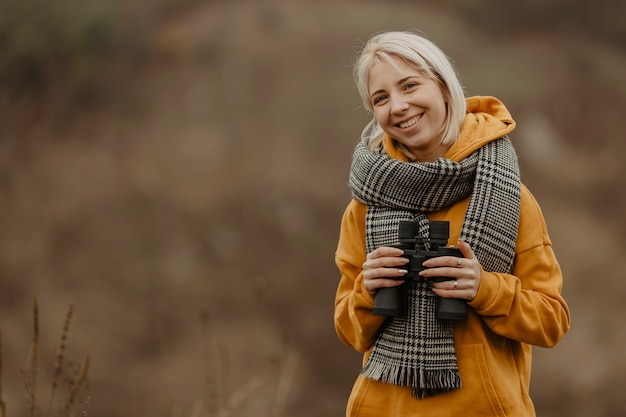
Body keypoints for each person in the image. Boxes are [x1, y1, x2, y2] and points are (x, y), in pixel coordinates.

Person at [334, 30, 570, 417]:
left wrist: (485, 288)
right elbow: (348, 330)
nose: (398, 106)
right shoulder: (364, 207)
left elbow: (551, 321)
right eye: (381, 98)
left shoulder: (510, 195)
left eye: (410, 85)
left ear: (443, 87)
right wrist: (367, 290)